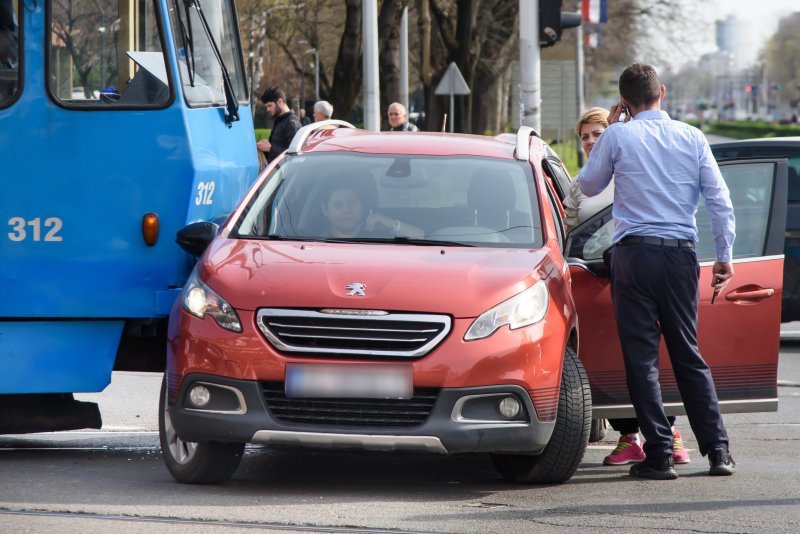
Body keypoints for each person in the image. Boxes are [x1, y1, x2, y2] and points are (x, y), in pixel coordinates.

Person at [577, 63, 736, 480]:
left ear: (624, 100)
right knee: (688, 353)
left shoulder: (617, 135)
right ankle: (718, 451)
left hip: (633, 256)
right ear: (662, 92)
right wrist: (725, 255)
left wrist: (612, 130)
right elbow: (719, 200)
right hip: (681, 255)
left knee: (641, 359)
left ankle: (660, 454)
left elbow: (589, 187)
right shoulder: (692, 136)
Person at [567, 107, 691, 467]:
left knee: (654, 359)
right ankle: (629, 437)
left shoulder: (629, 174)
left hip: (641, 276)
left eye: (597, 133)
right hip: (597, 285)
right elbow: (569, 228)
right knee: (620, 361)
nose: (591, 141)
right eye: (585, 136)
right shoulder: (581, 183)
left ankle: (670, 432)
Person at [320, 178, 423, 239]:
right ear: (325, 210)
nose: (346, 209)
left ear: (362, 206)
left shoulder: (377, 235)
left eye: (352, 203)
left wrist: (391, 224)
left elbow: (420, 236)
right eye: (338, 205)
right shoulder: (312, 242)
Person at [256, 86, 302, 164]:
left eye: (269, 105)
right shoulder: (280, 120)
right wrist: (264, 147)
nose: (268, 109)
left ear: (280, 101)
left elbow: (296, 154)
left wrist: (270, 148)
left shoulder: (292, 122)